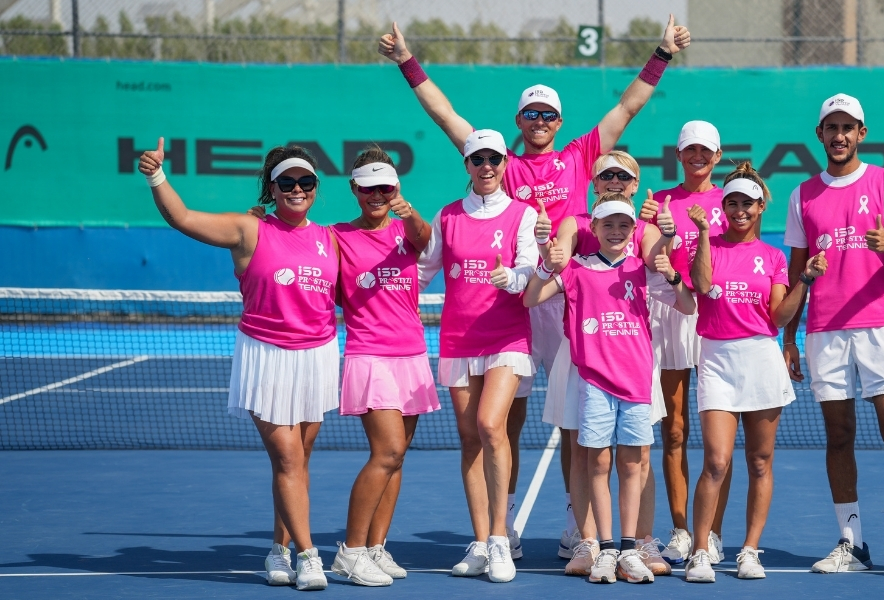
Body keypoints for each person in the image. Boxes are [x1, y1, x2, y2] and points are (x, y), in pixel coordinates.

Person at [379, 17, 691, 554]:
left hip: (575, 297)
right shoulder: (500, 163)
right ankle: (505, 528)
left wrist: (661, 52)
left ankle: (579, 525)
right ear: (519, 121)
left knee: (577, 418)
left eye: (548, 114)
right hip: (522, 303)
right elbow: (447, 117)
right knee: (505, 423)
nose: (540, 120)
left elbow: (627, 108)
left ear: (560, 121)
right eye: (531, 113)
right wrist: (408, 61)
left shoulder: (580, 157)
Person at [139, 140, 335, 591]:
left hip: (318, 357)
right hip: (265, 357)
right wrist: (156, 176)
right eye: (287, 182)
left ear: (316, 188)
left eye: (305, 182)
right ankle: (309, 555)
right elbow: (183, 218)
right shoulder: (249, 230)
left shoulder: (329, 238)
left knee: (299, 463)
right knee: (287, 460)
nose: (297, 189)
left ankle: (278, 550)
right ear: (273, 186)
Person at [781, 94, 884, 576]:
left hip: (879, 326)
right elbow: (796, 271)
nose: (839, 135)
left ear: (861, 133)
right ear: (819, 135)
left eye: (848, 127)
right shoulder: (801, 195)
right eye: (831, 127)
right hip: (825, 331)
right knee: (838, 436)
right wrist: (789, 338)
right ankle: (853, 544)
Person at [525, 195, 695, 584]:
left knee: (633, 465)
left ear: (633, 231)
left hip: (635, 385)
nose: (616, 231)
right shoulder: (576, 270)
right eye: (607, 224)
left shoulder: (643, 269)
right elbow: (531, 298)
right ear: (594, 229)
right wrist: (546, 263)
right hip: (594, 384)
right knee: (598, 464)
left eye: (623, 225)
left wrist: (671, 274)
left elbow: (686, 305)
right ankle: (604, 549)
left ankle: (631, 547)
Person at [682, 163, 828, 582]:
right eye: (732, 203)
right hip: (716, 360)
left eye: (747, 203)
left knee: (760, 462)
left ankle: (749, 550)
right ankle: (699, 551)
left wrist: (805, 279)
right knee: (716, 461)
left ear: (761, 206)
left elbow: (779, 317)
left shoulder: (773, 258)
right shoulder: (706, 244)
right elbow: (703, 285)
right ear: (723, 207)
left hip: (761, 360)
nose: (739, 210)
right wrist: (706, 235)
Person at [417, 130, 537, 583]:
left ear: (506, 163)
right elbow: (422, 271)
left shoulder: (522, 214)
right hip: (459, 340)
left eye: (494, 158)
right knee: (470, 440)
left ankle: (502, 540)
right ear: (467, 165)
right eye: (478, 159)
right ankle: (482, 539)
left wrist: (514, 277)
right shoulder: (447, 217)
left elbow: (529, 264)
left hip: (507, 336)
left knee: (491, 425)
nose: (486, 166)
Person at [327, 148, 439, 586]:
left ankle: (376, 547)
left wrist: (406, 210)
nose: (376, 194)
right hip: (369, 354)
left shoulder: (405, 230)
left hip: (411, 354)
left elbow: (425, 236)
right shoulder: (337, 235)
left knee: (398, 458)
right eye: (368, 187)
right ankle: (350, 551)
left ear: (396, 188)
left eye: (385, 187)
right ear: (354, 189)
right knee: (387, 451)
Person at [648, 120, 736, 566]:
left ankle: (714, 532)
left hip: (722, 315)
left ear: (717, 156)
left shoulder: (732, 200)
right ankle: (682, 529)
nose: (698, 157)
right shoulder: (662, 202)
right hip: (670, 313)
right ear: (679, 155)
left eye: (706, 151)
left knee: (718, 437)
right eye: (690, 150)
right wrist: (658, 234)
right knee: (675, 427)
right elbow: (649, 256)